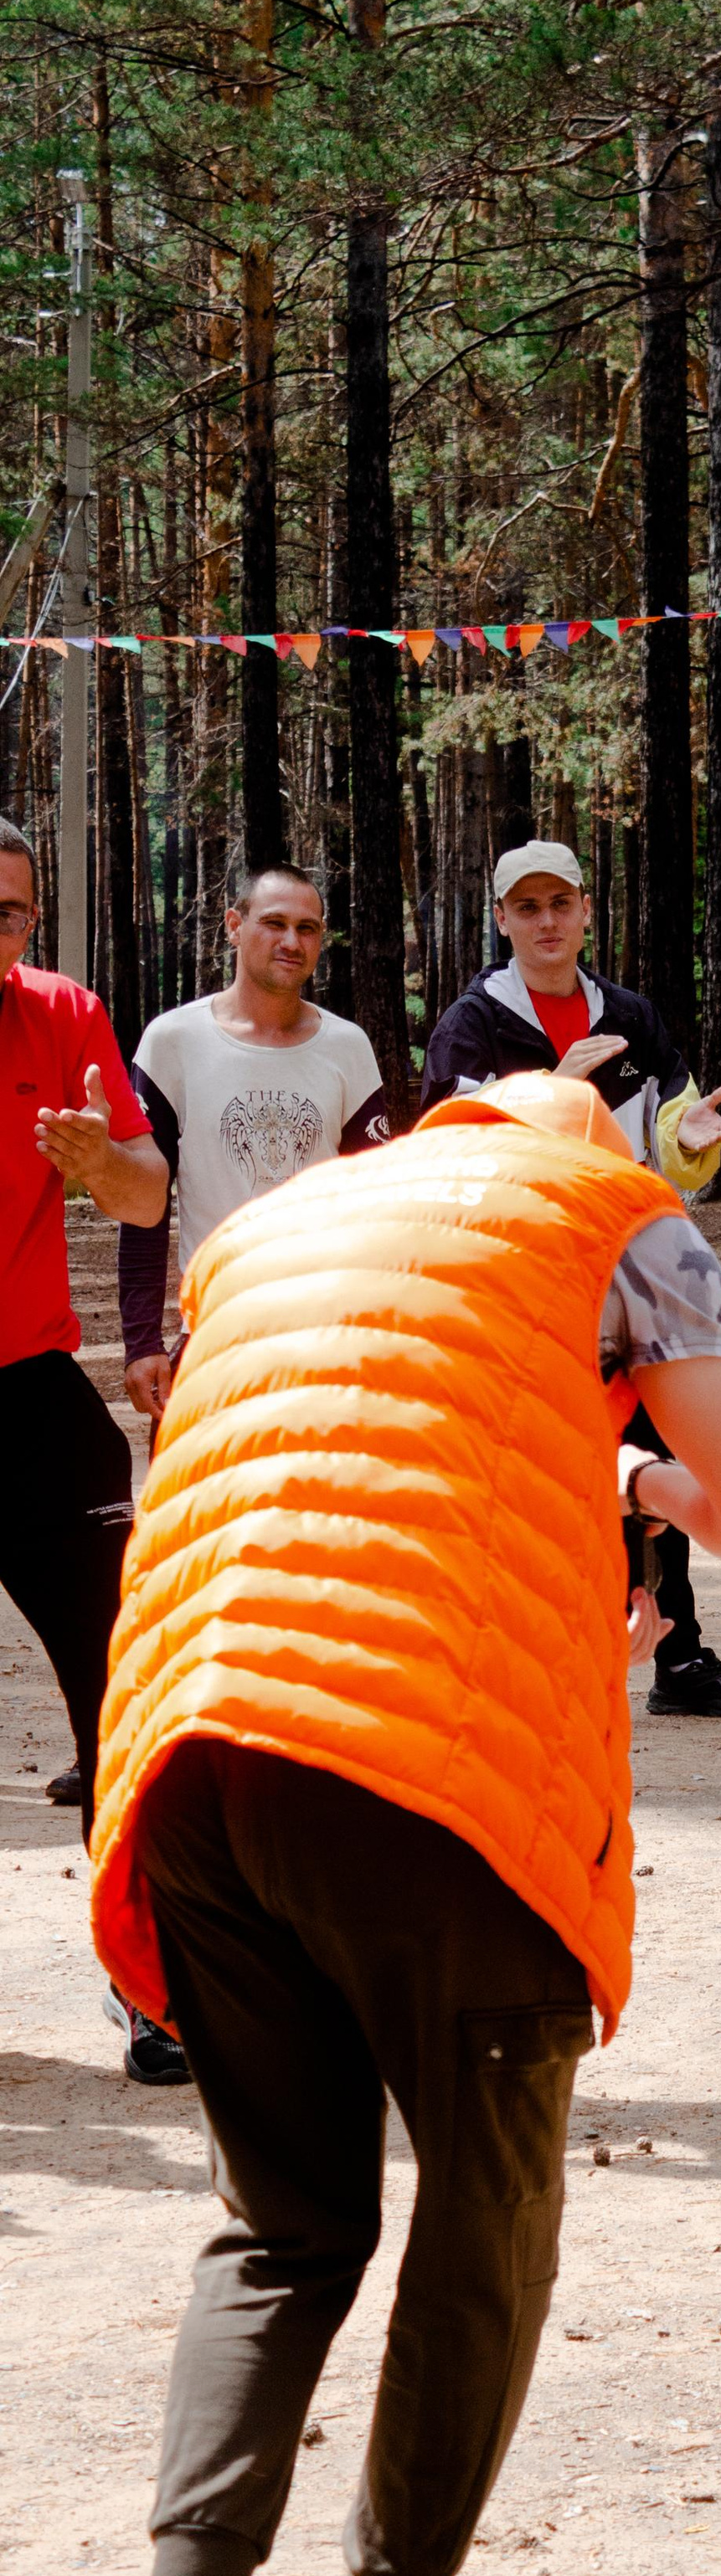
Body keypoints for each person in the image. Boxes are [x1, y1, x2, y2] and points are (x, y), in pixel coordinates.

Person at [94, 1069, 721, 2576]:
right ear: (583, 1156)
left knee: (283, 2224)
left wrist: (600, 1480)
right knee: (482, 2212)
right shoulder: (606, 1217)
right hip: (416, 1781)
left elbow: (366, 1468)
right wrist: (660, 1478)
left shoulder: (277, 1227)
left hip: (192, 1747)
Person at [422, 839, 721, 1722]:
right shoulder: (471, 1026)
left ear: (586, 910)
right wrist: (552, 1088)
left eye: (561, 904)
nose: (547, 922)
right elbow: (448, 1159)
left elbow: (668, 1154)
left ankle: (680, 1654)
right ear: (502, 919)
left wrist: (690, 1137)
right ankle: (534, 1651)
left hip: (633, 1278)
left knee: (659, 1459)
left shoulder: (631, 1015)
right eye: (528, 907)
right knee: (549, 1466)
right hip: (526, 1283)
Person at [0, 813, 168, 1937]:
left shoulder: (64, 1014)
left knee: (124, 1691)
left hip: (30, 1394)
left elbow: (147, 1191)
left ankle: (152, 1978)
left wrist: (103, 1160)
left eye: (8, 911)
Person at [118, 860, 389, 1429]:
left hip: (321, 1340)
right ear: (235, 925)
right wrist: (142, 1339)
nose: (292, 941)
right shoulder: (175, 1042)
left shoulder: (348, 1048)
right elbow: (145, 1206)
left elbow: (378, 1211)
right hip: (215, 1333)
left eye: (307, 928)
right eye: (274, 923)